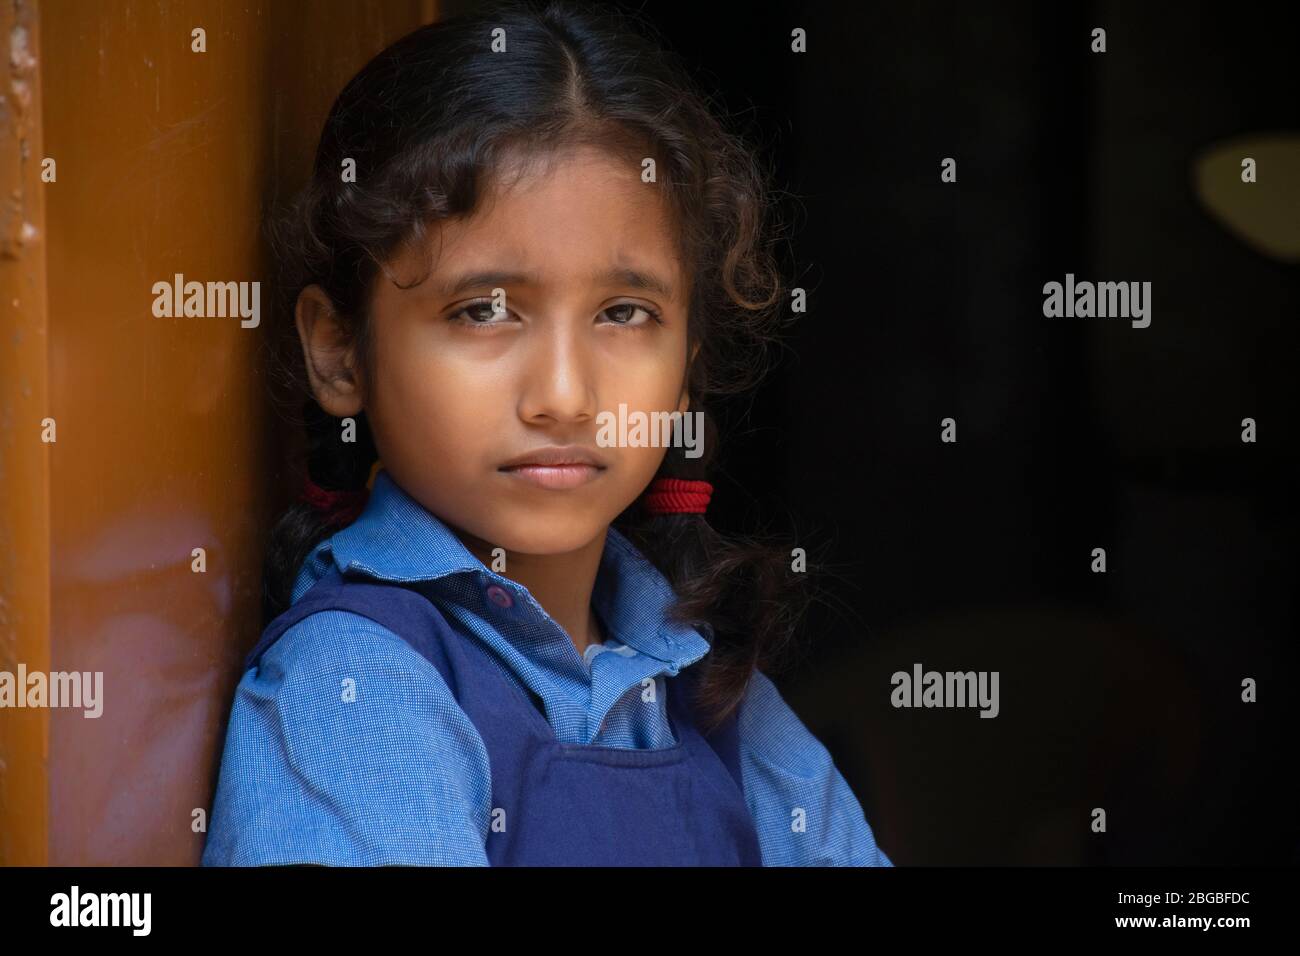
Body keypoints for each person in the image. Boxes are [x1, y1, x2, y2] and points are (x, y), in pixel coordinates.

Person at [202, 0, 892, 867]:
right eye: (484, 310)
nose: (566, 397)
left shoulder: (701, 682)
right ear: (340, 352)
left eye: (625, 311)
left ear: (688, 362)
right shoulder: (353, 689)